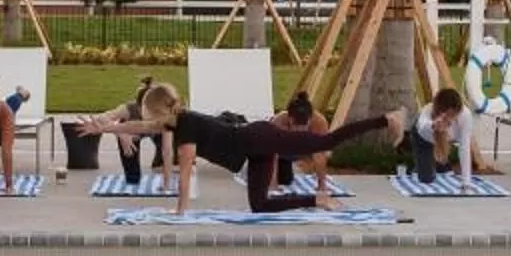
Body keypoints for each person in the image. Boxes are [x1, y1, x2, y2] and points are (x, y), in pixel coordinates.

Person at [72, 83, 401, 213]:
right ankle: (317, 199)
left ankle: (388, 119)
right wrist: (102, 126)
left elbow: (185, 176)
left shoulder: (185, 129)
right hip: (252, 152)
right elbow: (138, 126)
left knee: (325, 141)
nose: (146, 119)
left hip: (259, 138)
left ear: (159, 110)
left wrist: (179, 211)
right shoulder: (174, 121)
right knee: (259, 205)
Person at [405, 86, 486, 184]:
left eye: (454, 114)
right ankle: (417, 167)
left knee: (446, 171)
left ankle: (438, 163)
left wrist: (466, 181)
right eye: (448, 114)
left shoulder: (465, 115)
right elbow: (422, 126)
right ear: (439, 111)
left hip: (444, 143)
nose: (451, 119)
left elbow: (464, 147)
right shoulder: (427, 110)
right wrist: (433, 125)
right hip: (423, 139)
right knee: (426, 179)